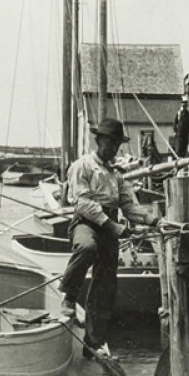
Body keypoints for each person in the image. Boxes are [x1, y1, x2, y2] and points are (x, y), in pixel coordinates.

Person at [59, 118, 131, 354]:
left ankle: (93, 343)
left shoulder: (116, 173)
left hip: (109, 226)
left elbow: (129, 204)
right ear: (99, 140)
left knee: (106, 286)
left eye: (117, 144)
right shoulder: (82, 166)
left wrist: (152, 220)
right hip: (86, 222)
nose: (113, 149)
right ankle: (69, 295)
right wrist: (111, 226)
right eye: (110, 143)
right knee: (87, 248)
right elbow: (83, 202)